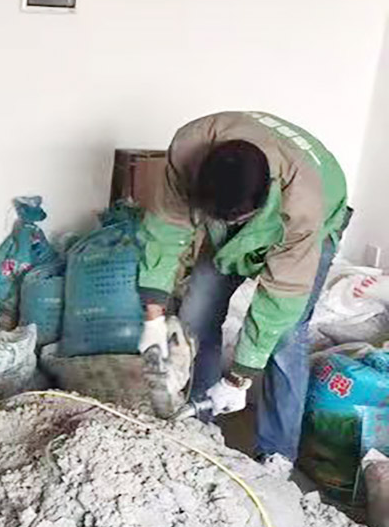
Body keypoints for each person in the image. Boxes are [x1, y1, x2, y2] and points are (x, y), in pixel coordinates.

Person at [137, 111, 349, 462]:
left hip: (314, 222)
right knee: (197, 313)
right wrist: (154, 321)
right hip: (233, 210)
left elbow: (280, 298)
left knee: (285, 337)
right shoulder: (188, 150)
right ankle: (199, 427)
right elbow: (165, 228)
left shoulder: (303, 202)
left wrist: (238, 378)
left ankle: (276, 455)